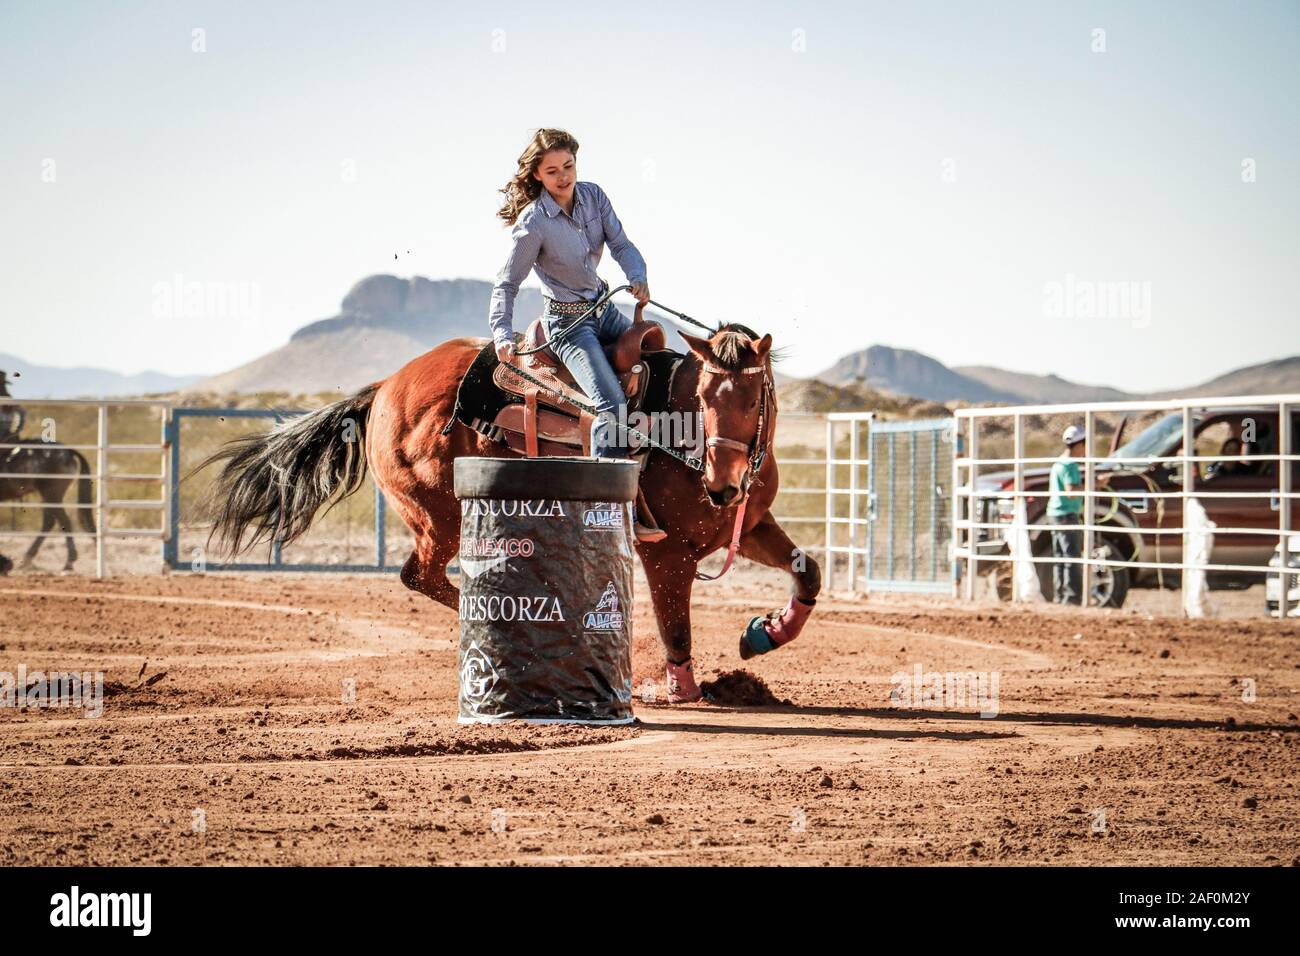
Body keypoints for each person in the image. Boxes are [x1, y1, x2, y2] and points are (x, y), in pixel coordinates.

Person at [488, 128, 665, 542]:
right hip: (568, 327)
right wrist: (501, 332)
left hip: (606, 309)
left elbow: (621, 244)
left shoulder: (594, 196)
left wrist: (637, 275)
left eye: (568, 166)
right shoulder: (533, 222)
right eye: (552, 171)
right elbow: (507, 283)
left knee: (659, 368)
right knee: (611, 404)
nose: (564, 176)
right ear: (537, 176)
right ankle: (608, 512)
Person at [1047, 424, 1087, 604]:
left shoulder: (1059, 462)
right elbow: (1071, 491)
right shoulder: (1071, 465)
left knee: (1060, 557)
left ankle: (1060, 595)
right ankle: (1072, 597)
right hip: (1066, 513)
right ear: (1079, 444)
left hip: (1054, 513)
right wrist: (1094, 486)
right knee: (1071, 557)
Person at [0, 371, 26, 449]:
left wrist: (17, 431)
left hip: (5, 432)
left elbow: (22, 412)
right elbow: (22, 412)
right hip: (7, 432)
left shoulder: (9, 400)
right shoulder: (9, 400)